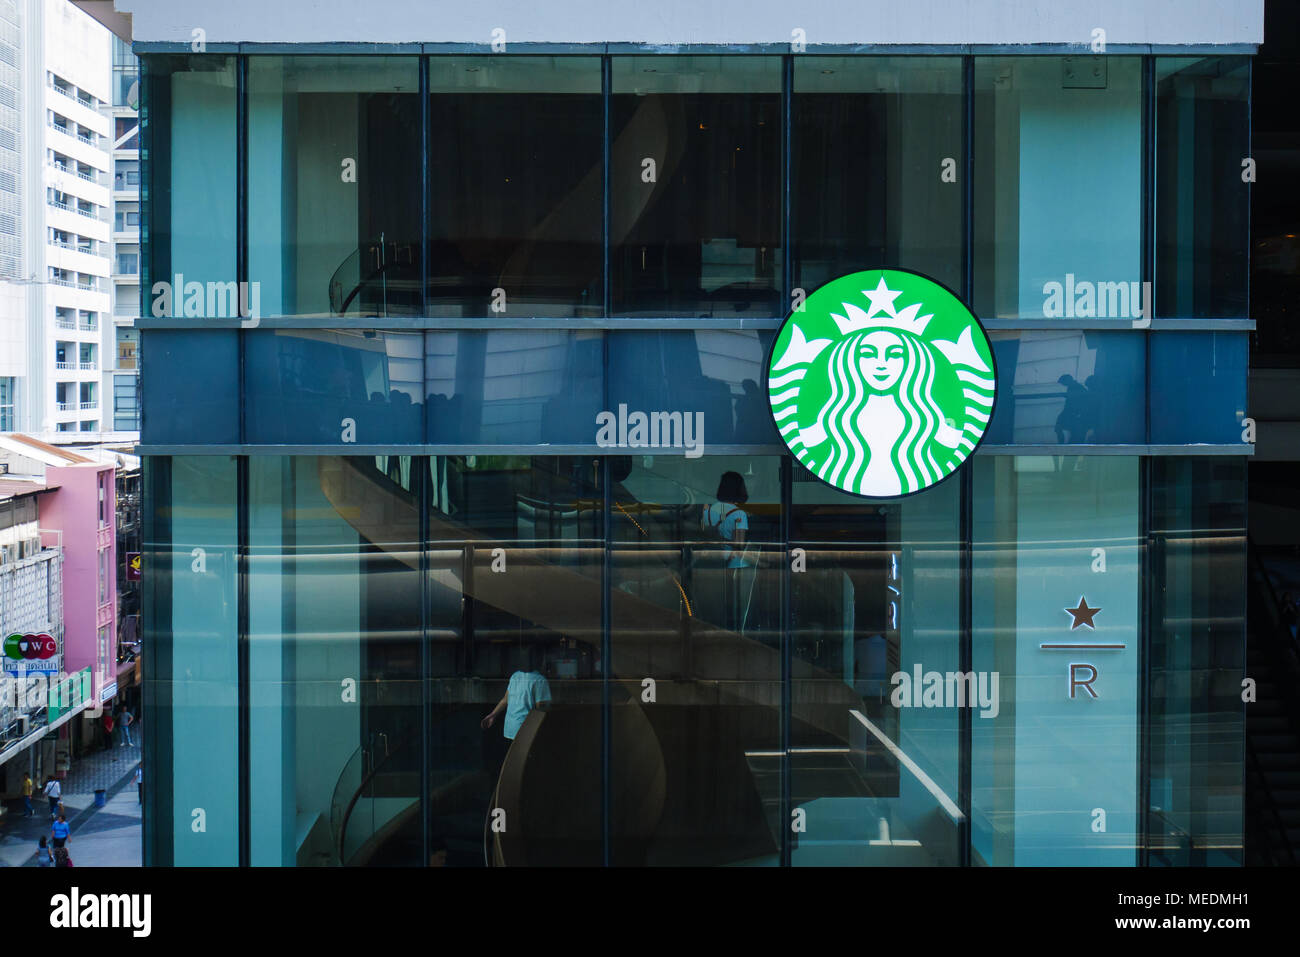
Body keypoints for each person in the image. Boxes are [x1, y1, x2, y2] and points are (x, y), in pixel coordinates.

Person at [702, 471, 753, 631]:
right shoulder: (739, 514)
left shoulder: (707, 511)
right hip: (735, 565)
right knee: (737, 606)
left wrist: (716, 539)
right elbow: (739, 544)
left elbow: (704, 536)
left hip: (713, 562)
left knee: (715, 604)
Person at [481, 644, 552, 744]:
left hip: (510, 729)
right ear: (540, 660)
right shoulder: (540, 680)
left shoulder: (515, 676)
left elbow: (505, 699)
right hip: (525, 731)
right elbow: (541, 708)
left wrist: (492, 715)